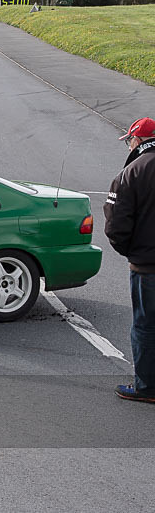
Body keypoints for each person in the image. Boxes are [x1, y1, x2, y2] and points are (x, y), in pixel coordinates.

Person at [104, 117, 155, 404]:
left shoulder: (131, 172)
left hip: (147, 267)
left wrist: (130, 253)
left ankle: (147, 388)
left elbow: (116, 226)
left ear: (137, 140)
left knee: (146, 326)